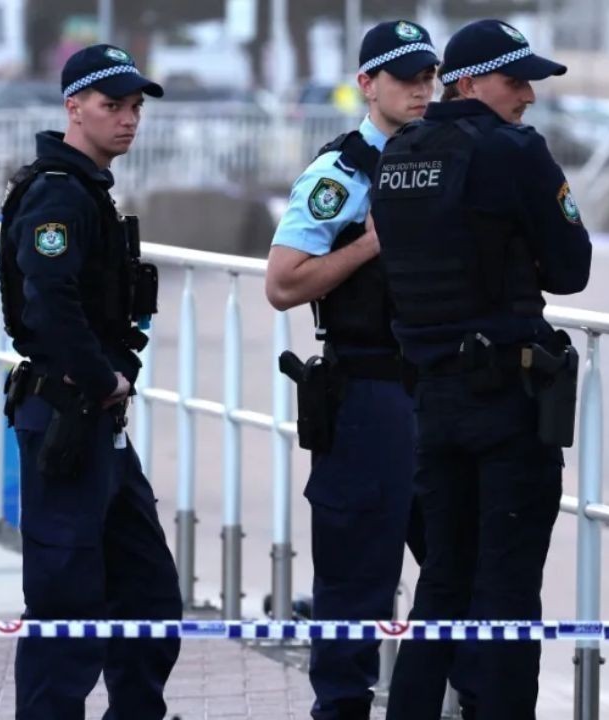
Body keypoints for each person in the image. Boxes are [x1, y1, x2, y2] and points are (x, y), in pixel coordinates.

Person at [375, 18, 592, 720]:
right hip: (506, 402)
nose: (528, 95)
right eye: (515, 79)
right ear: (470, 82)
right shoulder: (515, 153)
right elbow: (572, 268)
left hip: (433, 400)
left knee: (441, 583)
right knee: (505, 591)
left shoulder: (399, 154)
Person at [0, 44, 179, 719]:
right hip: (68, 415)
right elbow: (49, 303)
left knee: (150, 593)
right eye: (113, 106)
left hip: (97, 422)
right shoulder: (57, 194)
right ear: (74, 108)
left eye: (135, 107)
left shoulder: (88, 191)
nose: (129, 120)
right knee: (66, 602)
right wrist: (103, 377)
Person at [264, 20, 438, 720]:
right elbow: (283, 282)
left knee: (460, 570)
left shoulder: (445, 160)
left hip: (438, 391)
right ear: (367, 84)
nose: (421, 88)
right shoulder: (340, 175)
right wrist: (368, 245)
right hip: (367, 393)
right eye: (404, 77)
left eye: (428, 75)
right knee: (358, 578)